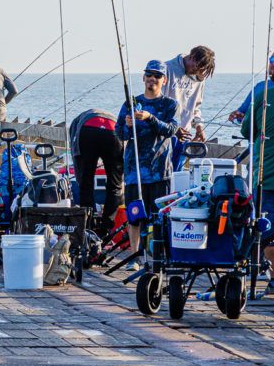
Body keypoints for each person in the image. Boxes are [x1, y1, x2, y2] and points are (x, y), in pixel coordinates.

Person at [114, 60, 178, 258]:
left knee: (159, 216)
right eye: (149, 75)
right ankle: (135, 256)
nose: (152, 79)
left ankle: (158, 256)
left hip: (160, 172)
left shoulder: (169, 104)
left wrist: (150, 118)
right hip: (134, 172)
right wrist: (127, 124)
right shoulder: (131, 103)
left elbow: (171, 130)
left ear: (164, 80)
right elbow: (120, 134)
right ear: (143, 78)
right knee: (134, 215)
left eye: (157, 75)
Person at [241, 74, 274, 294]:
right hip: (268, 178)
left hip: (267, 177)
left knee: (269, 229)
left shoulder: (263, 95)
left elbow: (246, 130)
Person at [68, 108, 123, 233]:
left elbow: (76, 155)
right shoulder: (109, 115)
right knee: (115, 186)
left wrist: (80, 177)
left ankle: (89, 228)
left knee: (86, 183)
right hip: (112, 129)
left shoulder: (76, 124)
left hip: (88, 129)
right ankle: (106, 230)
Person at [164, 45, 215, 143]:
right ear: (191, 56)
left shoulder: (199, 76)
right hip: (166, 133)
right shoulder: (167, 68)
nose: (198, 72)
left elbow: (195, 107)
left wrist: (199, 127)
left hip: (184, 135)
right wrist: (172, 128)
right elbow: (157, 102)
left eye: (202, 70)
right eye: (197, 68)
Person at [229, 47, 274, 124]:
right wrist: (238, 116)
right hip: (259, 135)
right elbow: (243, 113)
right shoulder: (260, 87)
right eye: (272, 60)